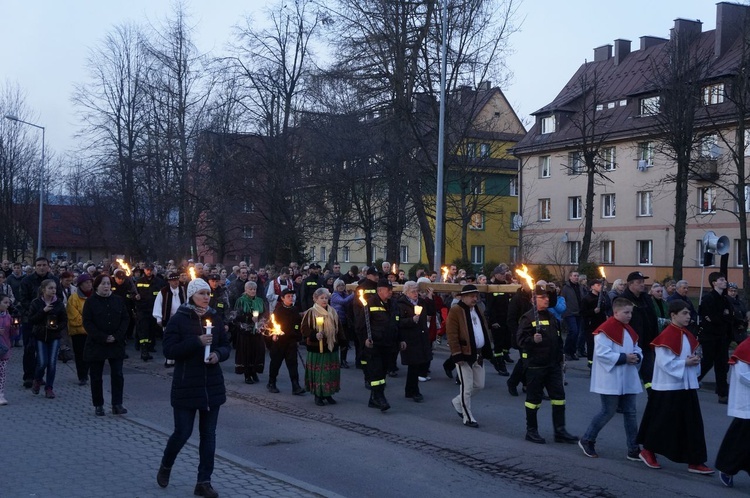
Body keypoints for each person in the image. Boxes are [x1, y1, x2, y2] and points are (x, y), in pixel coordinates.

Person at [156, 278, 230, 498]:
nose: (207, 297)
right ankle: (166, 464)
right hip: (187, 384)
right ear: (191, 296)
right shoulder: (179, 319)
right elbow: (169, 350)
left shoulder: (215, 317)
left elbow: (225, 345)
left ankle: (203, 482)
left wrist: (218, 354)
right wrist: (196, 342)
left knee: (208, 435)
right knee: (183, 432)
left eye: (208, 293)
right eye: (202, 294)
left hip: (211, 385)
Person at [636, 300, 714, 475]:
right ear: (673, 315)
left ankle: (695, 460)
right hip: (669, 386)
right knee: (662, 423)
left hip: (686, 385)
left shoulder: (687, 334)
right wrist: (686, 362)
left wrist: (694, 361)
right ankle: (648, 450)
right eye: (684, 313)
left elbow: (691, 356)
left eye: (689, 313)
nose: (688, 316)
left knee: (692, 424)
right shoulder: (666, 335)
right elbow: (664, 363)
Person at [578, 298, 643, 460]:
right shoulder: (604, 331)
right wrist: (624, 358)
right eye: (626, 312)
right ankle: (587, 439)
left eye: (631, 313)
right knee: (608, 411)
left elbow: (637, 347)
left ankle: (633, 448)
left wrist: (637, 356)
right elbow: (602, 354)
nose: (629, 316)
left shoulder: (629, 330)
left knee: (631, 412)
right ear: (616, 312)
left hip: (627, 376)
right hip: (611, 377)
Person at [517, 284, 577, 444]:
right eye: (542, 297)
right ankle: (531, 431)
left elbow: (557, 340)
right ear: (533, 300)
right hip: (535, 365)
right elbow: (520, 340)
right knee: (533, 400)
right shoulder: (528, 318)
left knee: (559, 397)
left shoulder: (552, 317)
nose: (546, 299)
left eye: (547, 297)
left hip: (553, 365)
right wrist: (532, 340)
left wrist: (561, 358)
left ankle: (560, 431)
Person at [82, 273, 130, 416]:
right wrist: (103, 337)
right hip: (97, 343)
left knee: (117, 374)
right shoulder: (91, 302)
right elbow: (87, 323)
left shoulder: (118, 300)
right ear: (97, 286)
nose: (106, 286)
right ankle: (98, 404)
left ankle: (117, 404)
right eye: (103, 284)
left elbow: (125, 319)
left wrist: (116, 336)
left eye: (108, 284)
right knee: (96, 376)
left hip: (116, 343)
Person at [447, 284, 493, 428]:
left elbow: (482, 328)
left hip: (477, 355)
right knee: (466, 388)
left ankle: (457, 401)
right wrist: (457, 355)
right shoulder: (456, 311)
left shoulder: (477, 309)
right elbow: (452, 334)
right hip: (464, 355)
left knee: (479, 385)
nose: (475, 299)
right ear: (464, 297)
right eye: (472, 296)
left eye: (476, 296)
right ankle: (468, 417)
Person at [356, 279, 399, 410]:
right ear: (380, 290)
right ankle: (380, 398)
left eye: (391, 290)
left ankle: (373, 399)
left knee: (383, 372)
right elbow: (360, 325)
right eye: (388, 290)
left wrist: (401, 340)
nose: (391, 292)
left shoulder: (393, 304)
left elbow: (396, 324)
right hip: (374, 344)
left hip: (388, 343)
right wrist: (365, 340)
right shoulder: (370, 303)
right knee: (376, 371)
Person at [18, 257, 62, 388]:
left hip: (49, 319)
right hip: (30, 319)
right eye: (39, 265)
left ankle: (39, 375)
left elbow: (59, 296)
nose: (41, 267)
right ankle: (28, 376)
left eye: (44, 265)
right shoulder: (27, 280)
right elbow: (23, 299)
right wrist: (37, 309)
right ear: (35, 266)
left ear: (48, 266)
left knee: (44, 350)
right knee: (29, 348)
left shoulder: (54, 280)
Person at [714, 335, 750, 487]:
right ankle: (726, 467)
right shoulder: (745, 348)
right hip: (747, 402)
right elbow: (743, 375)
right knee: (739, 438)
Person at [300, 287, 346, 406]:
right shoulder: (311, 312)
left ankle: (328, 393)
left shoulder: (332, 312)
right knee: (319, 372)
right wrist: (314, 335)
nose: (324, 300)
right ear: (316, 299)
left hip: (331, 346)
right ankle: (318, 395)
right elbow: (304, 328)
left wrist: (342, 341)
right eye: (321, 298)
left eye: (326, 298)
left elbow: (339, 327)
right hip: (317, 347)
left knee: (330, 372)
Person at [28, 279, 67, 398]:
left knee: (52, 363)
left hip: (54, 336)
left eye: (54, 288)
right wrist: (43, 311)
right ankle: (37, 379)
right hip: (40, 336)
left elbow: (64, 320)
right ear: (43, 289)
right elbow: (32, 319)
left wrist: (57, 327)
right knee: (42, 362)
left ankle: (49, 387)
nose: (53, 290)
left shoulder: (59, 304)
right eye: (50, 288)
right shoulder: (36, 303)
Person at [698, 271, 732, 404]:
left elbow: (729, 316)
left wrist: (724, 317)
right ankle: (693, 380)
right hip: (709, 337)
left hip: (722, 337)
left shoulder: (724, 299)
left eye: (724, 280)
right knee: (707, 362)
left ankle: (722, 393)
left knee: (722, 365)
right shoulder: (708, 298)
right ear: (714, 283)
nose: (725, 282)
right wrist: (722, 317)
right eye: (722, 280)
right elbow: (711, 317)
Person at [621, 271, 659, 391]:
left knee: (650, 373)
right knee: (629, 374)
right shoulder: (623, 299)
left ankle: (652, 401)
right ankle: (622, 400)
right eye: (639, 282)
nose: (642, 284)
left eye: (643, 282)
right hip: (631, 344)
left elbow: (653, 318)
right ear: (630, 284)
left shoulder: (646, 298)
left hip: (647, 343)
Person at [397, 281, 431, 403]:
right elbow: (398, 322)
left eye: (417, 291)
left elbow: (431, 311)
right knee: (414, 365)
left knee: (416, 365)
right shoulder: (401, 304)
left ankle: (410, 390)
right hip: (410, 338)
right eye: (413, 291)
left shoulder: (421, 302)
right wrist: (411, 320)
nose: (416, 293)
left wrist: (430, 298)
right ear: (406, 292)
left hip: (421, 337)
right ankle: (414, 391)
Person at [267, 289, 304, 395]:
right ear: (282, 298)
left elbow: (297, 323)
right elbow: (272, 324)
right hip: (279, 341)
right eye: (288, 296)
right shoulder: (278, 310)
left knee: (293, 363)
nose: (291, 298)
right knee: (276, 362)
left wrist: (297, 336)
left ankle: (295, 385)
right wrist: (274, 334)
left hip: (291, 341)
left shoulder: (295, 309)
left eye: (292, 296)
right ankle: (271, 382)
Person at [232, 281, 268, 384]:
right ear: (246, 290)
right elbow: (236, 315)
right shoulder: (241, 301)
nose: (253, 291)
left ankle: (254, 371)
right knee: (246, 352)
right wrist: (249, 318)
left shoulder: (260, 301)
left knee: (257, 352)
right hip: (245, 330)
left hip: (257, 330)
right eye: (250, 289)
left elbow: (265, 314)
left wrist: (261, 321)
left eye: (254, 289)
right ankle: (247, 373)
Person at [154, 272, 187, 368]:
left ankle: (178, 359)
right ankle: (169, 360)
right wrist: (159, 318)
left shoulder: (183, 290)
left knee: (180, 340)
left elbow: (188, 303)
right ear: (169, 281)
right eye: (173, 280)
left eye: (177, 280)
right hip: (168, 319)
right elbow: (158, 305)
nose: (175, 282)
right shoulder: (164, 292)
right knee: (169, 340)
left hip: (181, 320)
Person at [67, 273, 94, 385]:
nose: (89, 285)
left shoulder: (95, 296)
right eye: (86, 283)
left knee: (91, 354)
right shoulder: (73, 298)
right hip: (79, 332)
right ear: (80, 285)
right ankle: (82, 376)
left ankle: (89, 373)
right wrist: (88, 322)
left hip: (92, 332)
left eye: (90, 282)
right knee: (80, 355)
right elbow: (74, 316)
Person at [580, 279, 610, 369]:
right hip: (590, 325)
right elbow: (583, 312)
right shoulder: (587, 298)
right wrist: (593, 311)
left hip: (601, 324)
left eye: (600, 285)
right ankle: (591, 362)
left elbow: (607, 307)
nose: (600, 286)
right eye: (597, 285)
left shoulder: (603, 297)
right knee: (591, 344)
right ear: (592, 287)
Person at [560, 270, 585, 360]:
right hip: (569, 313)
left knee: (577, 333)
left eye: (577, 276)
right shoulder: (566, 288)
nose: (576, 277)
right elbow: (563, 299)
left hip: (578, 313)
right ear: (570, 277)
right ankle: (567, 351)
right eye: (574, 276)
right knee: (573, 331)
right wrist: (565, 311)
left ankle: (572, 352)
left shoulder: (580, 287)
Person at [330, 279, 354, 368]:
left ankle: (343, 360)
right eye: (339, 285)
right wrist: (353, 295)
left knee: (345, 342)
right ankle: (335, 361)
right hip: (337, 322)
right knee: (337, 342)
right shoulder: (334, 295)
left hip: (345, 321)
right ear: (336, 287)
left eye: (342, 285)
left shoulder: (344, 294)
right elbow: (343, 302)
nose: (341, 287)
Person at [0, 294, 12, 405]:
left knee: (2, 372)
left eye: (8, 303)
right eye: (5, 302)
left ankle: (1, 394)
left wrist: (15, 329)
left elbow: (11, 333)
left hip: (4, 348)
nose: (7, 305)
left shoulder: (8, 316)